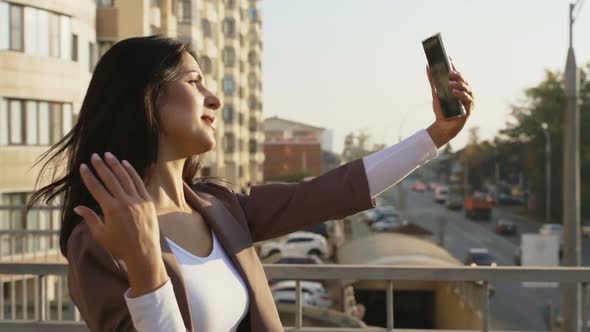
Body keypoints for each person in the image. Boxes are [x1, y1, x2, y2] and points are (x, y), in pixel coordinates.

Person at [28, 36, 474, 331]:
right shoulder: (99, 237)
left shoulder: (219, 205)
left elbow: (328, 193)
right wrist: (145, 268)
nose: (214, 99)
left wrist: (434, 136)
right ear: (147, 98)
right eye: (194, 81)